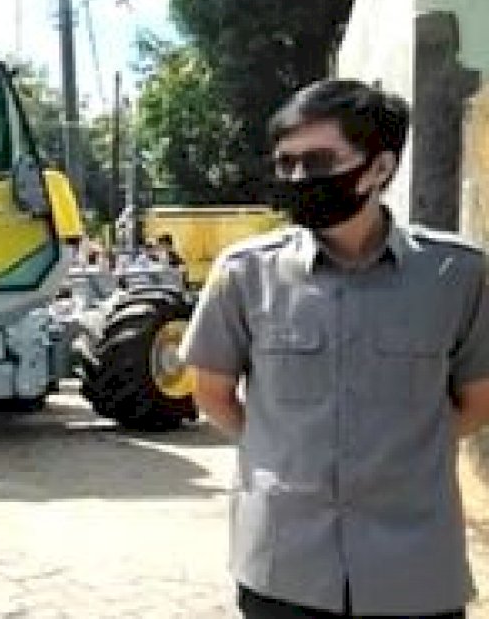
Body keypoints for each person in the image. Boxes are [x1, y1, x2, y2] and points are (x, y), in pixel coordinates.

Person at [178, 78, 489, 618]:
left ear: (380, 167)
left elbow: (477, 401)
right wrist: (286, 451)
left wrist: (399, 455)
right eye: (286, 163)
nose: (299, 178)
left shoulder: (456, 275)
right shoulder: (245, 274)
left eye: (319, 162)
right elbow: (213, 394)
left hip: (414, 568)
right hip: (284, 568)